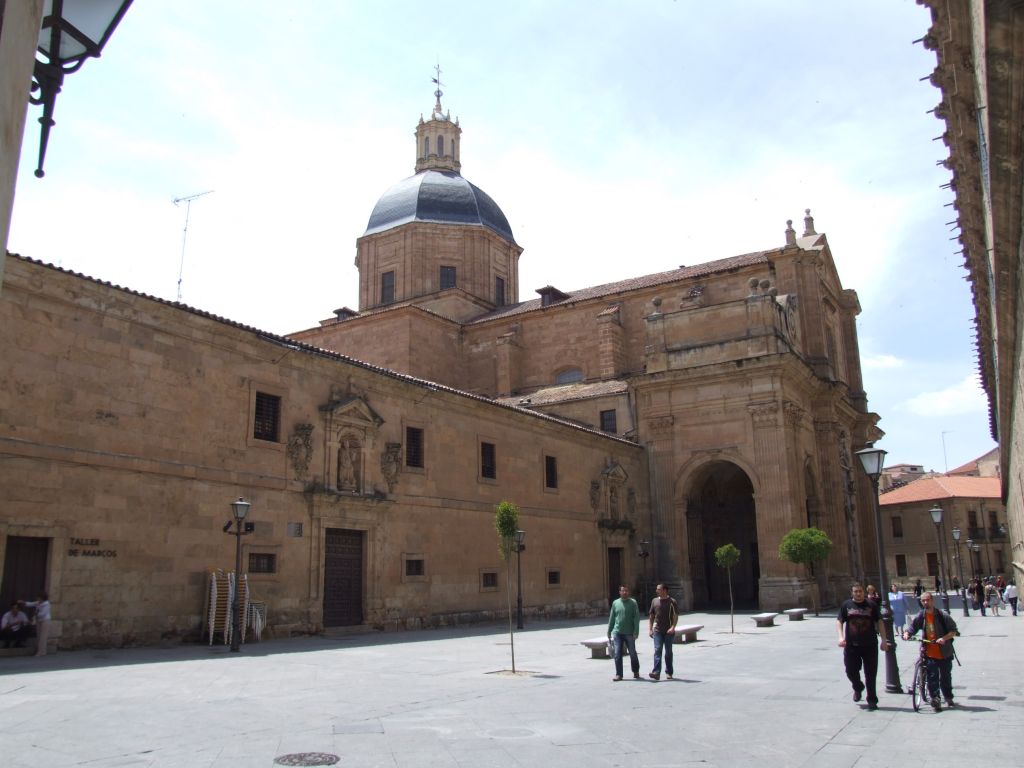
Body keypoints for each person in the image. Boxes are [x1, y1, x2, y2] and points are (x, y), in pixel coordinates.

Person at [837, 582, 889, 711]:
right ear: (852, 593)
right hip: (851, 645)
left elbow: (880, 622)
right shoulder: (846, 605)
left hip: (870, 644)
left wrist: (884, 640)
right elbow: (839, 620)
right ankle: (858, 687)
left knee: (871, 674)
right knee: (850, 670)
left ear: (863, 592)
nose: (858, 593)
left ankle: (872, 699)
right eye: (856, 591)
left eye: (860, 591)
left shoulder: (871, 605)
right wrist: (840, 637)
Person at [903, 591, 959, 711]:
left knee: (945, 677)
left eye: (928, 600)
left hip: (944, 653)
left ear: (932, 600)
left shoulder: (942, 615)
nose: (926, 602)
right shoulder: (921, 616)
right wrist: (907, 633)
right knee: (932, 677)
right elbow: (913, 627)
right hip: (929, 652)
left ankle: (948, 697)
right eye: (923, 600)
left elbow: (953, 631)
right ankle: (936, 700)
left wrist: (943, 638)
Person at [607, 585, 640, 681]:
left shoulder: (633, 603)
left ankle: (635, 670)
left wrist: (636, 632)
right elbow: (612, 618)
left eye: (626, 591)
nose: (624, 592)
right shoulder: (615, 603)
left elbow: (636, 618)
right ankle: (619, 674)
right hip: (617, 632)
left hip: (629, 632)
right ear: (620, 592)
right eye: (623, 591)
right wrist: (609, 630)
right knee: (617, 653)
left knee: (632, 653)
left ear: (628, 592)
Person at [647, 583, 678, 681]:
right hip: (657, 631)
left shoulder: (672, 601)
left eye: (658, 589)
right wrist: (650, 629)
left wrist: (673, 627)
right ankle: (656, 672)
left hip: (668, 631)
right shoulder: (654, 601)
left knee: (668, 652)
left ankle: (669, 672)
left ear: (664, 590)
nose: (656, 591)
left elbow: (675, 616)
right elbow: (651, 615)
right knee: (657, 650)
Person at [22, 591, 51, 656]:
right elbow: (31, 604)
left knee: (43, 637)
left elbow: (43, 613)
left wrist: (36, 614)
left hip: (45, 620)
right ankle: (41, 650)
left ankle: (41, 652)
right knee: (39, 635)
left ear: (42, 598)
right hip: (39, 620)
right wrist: (24, 603)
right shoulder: (38, 603)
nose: (38, 599)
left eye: (39, 597)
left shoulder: (47, 604)